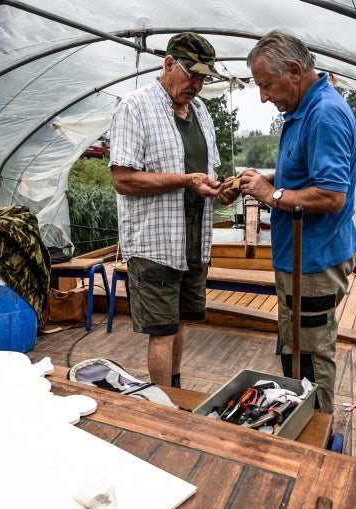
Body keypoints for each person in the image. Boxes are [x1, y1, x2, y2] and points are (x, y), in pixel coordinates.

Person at [219, 29, 356, 411]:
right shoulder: (302, 109)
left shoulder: (325, 114)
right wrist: (262, 180)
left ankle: (317, 434)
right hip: (298, 258)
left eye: (267, 85)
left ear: (295, 71)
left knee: (312, 356)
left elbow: (332, 195)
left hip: (314, 259)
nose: (264, 96)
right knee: (294, 348)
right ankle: (298, 418)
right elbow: (305, 176)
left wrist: (272, 195)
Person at [108, 32, 223, 388]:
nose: (198, 85)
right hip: (154, 238)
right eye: (192, 75)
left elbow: (208, 172)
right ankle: (162, 406)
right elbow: (124, 180)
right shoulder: (135, 106)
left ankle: (173, 389)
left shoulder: (201, 112)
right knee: (162, 328)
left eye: (204, 78)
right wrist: (185, 181)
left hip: (193, 234)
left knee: (181, 319)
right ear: (169, 64)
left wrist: (220, 190)